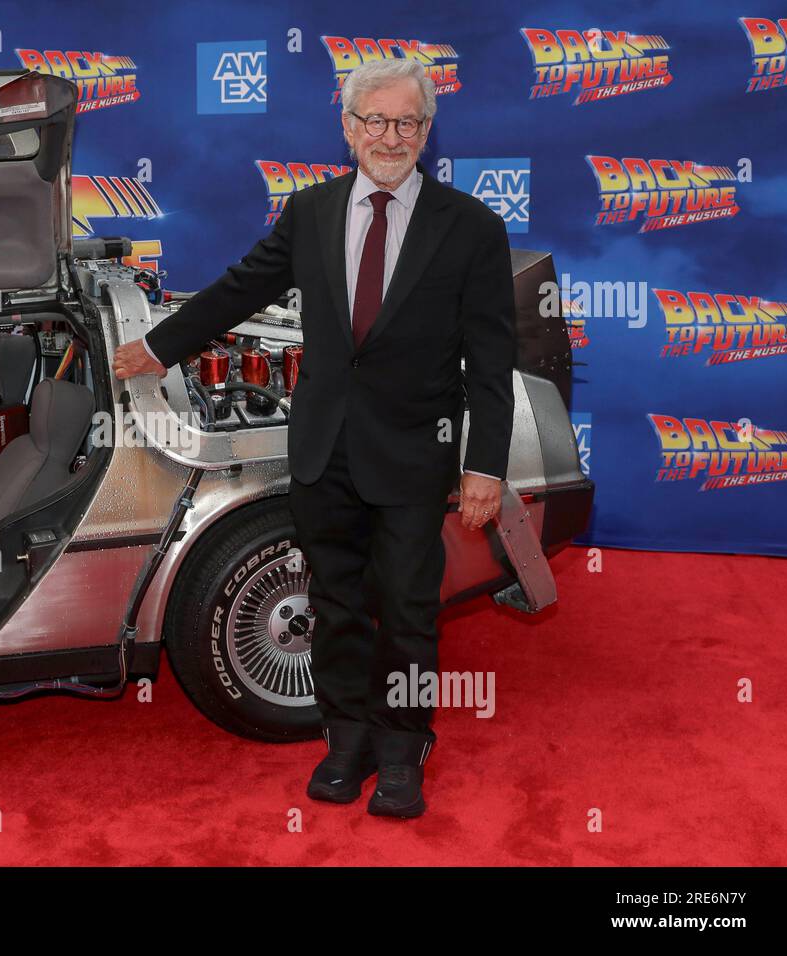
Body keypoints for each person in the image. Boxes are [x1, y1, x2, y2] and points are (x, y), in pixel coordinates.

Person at [112, 58, 516, 818]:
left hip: (413, 455)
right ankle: (348, 737)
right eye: (374, 120)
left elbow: (491, 361)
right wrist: (162, 346)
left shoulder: (471, 229)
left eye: (405, 123)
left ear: (426, 132)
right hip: (324, 450)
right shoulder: (311, 212)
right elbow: (240, 288)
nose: (389, 136)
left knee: (406, 609)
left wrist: (485, 466)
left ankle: (402, 747)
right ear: (348, 128)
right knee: (332, 603)